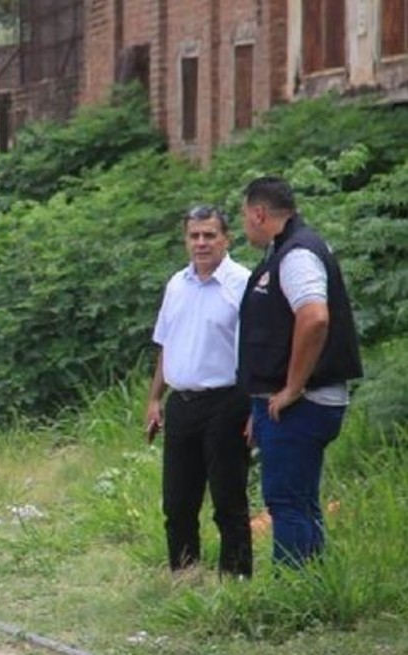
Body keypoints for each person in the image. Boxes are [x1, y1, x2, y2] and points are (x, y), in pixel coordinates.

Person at [237, 176, 363, 567]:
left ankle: (292, 589)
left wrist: (293, 386)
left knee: (286, 502)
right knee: (302, 500)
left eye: (245, 216)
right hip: (292, 402)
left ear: (259, 213)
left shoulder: (297, 254)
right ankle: (313, 583)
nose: (245, 224)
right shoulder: (288, 249)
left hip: (302, 404)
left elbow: (314, 319)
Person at [144, 206, 253, 577]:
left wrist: (256, 407)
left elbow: (258, 352)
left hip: (227, 402)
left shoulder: (243, 284)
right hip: (182, 403)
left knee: (228, 501)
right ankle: (184, 579)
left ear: (226, 238)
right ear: (186, 239)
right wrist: (155, 398)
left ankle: (236, 582)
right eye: (195, 235)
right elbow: (166, 345)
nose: (202, 243)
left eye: (210, 235)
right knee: (177, 502)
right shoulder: (177, 284)